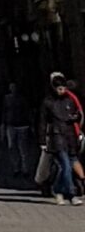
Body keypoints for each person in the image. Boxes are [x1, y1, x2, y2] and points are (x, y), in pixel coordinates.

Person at [38, 72, 82, 203]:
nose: (62, 91)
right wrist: (42, 140)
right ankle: (71, 194)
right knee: (66, 166)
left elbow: (77, 115)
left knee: (65, 167)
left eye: (63, 88)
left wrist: (75, 118)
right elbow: (42, 122)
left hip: (70, 137)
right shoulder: (48, 102)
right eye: (59, 88)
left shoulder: (70, 100)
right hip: (57, 137)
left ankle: (57, 189)